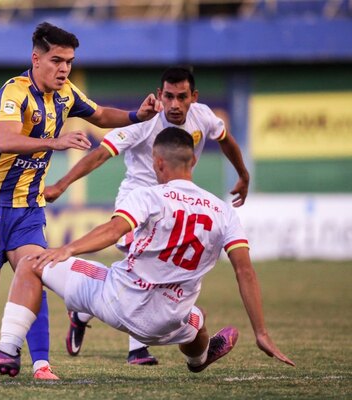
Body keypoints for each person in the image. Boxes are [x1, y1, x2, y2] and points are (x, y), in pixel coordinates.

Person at [0, 21, 161, 379]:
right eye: (56, 60)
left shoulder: (67, 93)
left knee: (35, 271)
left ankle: (40, 364)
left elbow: (99, 115)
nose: (64, 68)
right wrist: (57, 142)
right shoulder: (14, 92)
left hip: (28, 207)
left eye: (68, 61)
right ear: (36, 59)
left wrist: (135, 116)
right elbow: (6, 140)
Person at [0, 127, 294, 378]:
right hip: (168, 319)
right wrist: (261, 333)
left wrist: (67, 249)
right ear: (193, 160)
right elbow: (244, 272)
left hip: (117, 300)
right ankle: (198, 358)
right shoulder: (224, 211)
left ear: (157, 163)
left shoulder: (149, 195)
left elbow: (114, 230)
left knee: (32, 262)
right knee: (198, 321)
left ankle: (8, 351)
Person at [44, 67, 250, 365]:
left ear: (194, 97)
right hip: (137, 201)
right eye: (169, 96)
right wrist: (62, 184)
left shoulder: (203, 116)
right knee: (142, 262)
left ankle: (82, 311)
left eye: (182, 97)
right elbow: (102, 153)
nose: (175, 105)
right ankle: (138, 348)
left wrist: (243, 175)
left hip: (174, 200)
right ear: (160, 94)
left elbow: (226, 139)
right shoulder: (144, 120)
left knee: (161, 268)